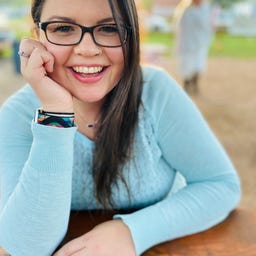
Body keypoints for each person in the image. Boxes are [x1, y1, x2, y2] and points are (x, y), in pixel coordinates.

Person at [0, 0, 241, 255]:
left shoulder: (156, 93)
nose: (87, 49)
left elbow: (221, 185)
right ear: (37, 37)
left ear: (131, 35)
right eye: (63, 28)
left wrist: (132, 231)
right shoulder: (18, 114)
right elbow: (27, 246)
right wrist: (56, 115)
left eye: (109, 29)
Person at [175, 0, 213, 94]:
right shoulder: (186, 9)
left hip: (200, 43)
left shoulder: (205, 9)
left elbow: (208, 26)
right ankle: (186, 83)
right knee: (187, 65)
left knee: (198, 65)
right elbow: (181, 27)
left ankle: (195, 83)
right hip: (187, 43)